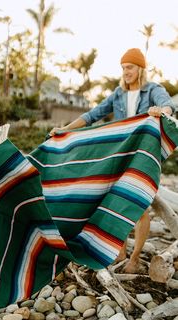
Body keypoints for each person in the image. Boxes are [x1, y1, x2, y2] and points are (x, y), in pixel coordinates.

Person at [49, 48, 175, 273]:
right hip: (120, 156)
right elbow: (92, 115)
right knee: (117, 202)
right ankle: (120, 252)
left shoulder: (153, 90)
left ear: (140, 69)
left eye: (130, 67)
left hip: (142, 157)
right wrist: (65, 129)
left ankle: (135, 258)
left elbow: (168, 104)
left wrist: (160, 110)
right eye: (124, 68)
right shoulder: (118, 94)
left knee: (141, 207)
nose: (126, 72)